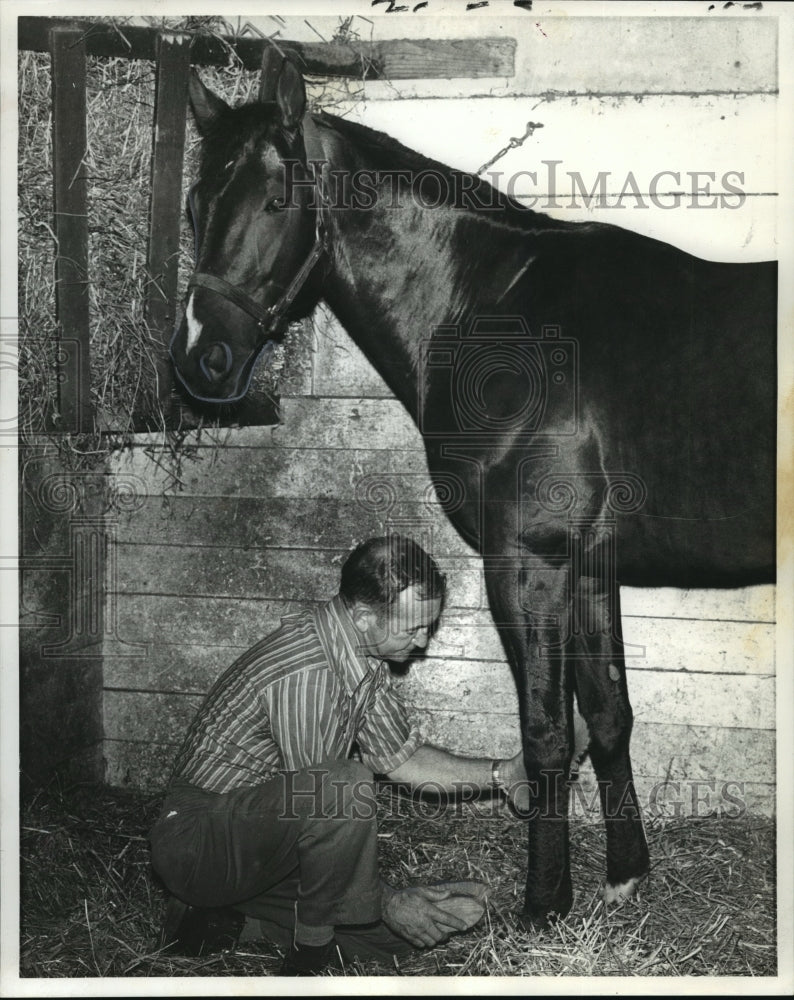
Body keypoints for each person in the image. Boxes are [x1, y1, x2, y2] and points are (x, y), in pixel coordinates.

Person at [149, 534, 526, 975]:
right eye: (413, 628)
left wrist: (504, 773)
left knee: (399, 941)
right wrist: (388, 897)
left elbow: (399, 759)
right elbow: (326, 803)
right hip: (198, 842)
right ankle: (307, 960)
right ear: (364, 617)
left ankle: (219, 924)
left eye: (430, 625)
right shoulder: (308, 671)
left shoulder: (362, 658)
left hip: (257, 845)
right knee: (347, 785)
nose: (423, 641)